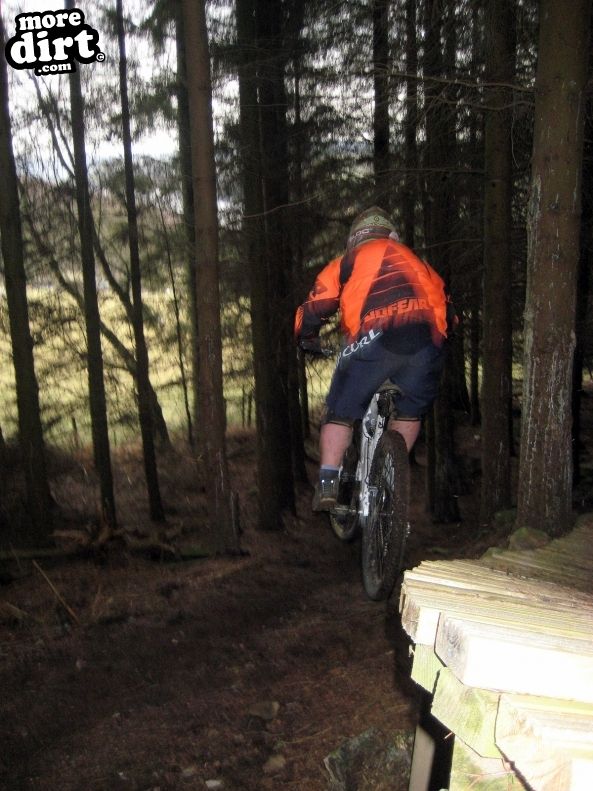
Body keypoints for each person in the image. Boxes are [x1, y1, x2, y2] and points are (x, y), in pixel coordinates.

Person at [294, 207, 455, 511]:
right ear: (391, 236)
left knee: (340, 410)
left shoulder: (349, 260)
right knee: (409, 413)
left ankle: (327, 483)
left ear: (356, 239)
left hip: (375, 338)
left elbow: (314, 306)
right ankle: (391, 473)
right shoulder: (422, 264)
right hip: (427, 344)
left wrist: (307, 338)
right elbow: (450, 314)